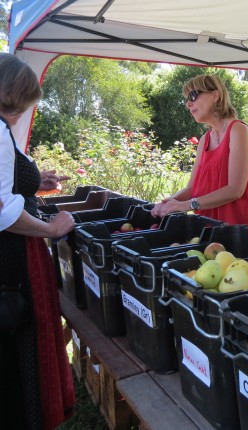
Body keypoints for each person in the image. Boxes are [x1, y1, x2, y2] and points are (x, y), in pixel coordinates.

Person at [0, 53, 76, 429]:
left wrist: (34, 182)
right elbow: (3, 211)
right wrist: (51, 229)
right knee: (20, 343)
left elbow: (6, 184)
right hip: (11, 260)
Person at [151, 74, 248, 228]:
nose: (188, 103)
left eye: (193, 96)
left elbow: (235, 189)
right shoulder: (204, 140)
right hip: (212, 231)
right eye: (186, 99)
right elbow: (191, 189)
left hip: (242, 230)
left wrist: (188, 205)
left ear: (215, 95)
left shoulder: (237, 130)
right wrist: (168, 202)